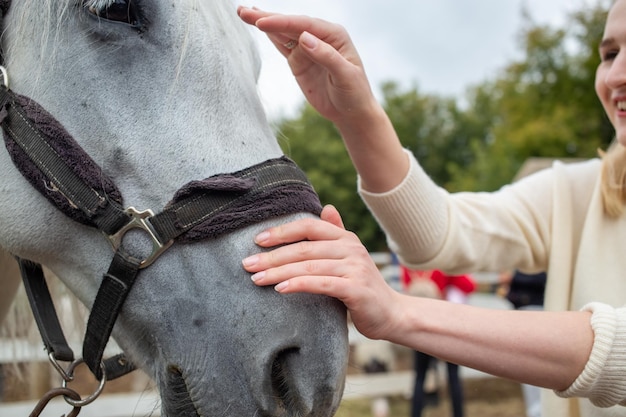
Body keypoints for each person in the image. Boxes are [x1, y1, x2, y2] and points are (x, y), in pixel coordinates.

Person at [237, 3, 626, 417]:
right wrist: (356, 113)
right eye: (609, 54)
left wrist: (398, 312)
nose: (617, 75)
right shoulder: (583, 191)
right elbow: (437, 235)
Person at [402, 267, 476, 417]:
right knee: (453, 376)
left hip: (420, 327)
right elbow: (469, 286)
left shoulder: (408, 264)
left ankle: (415, 413)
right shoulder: (442, 264)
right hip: (443, 326)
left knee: (420, 376)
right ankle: (458, 413)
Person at [499, 270, 548, 417]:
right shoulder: (520, 267)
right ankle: (534, 410)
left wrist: (513, 279)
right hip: (522, 315)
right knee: (526, 367)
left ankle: (541, 409)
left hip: (538, 314)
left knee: (540, 367)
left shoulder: (537, 267)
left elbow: (543, 279)